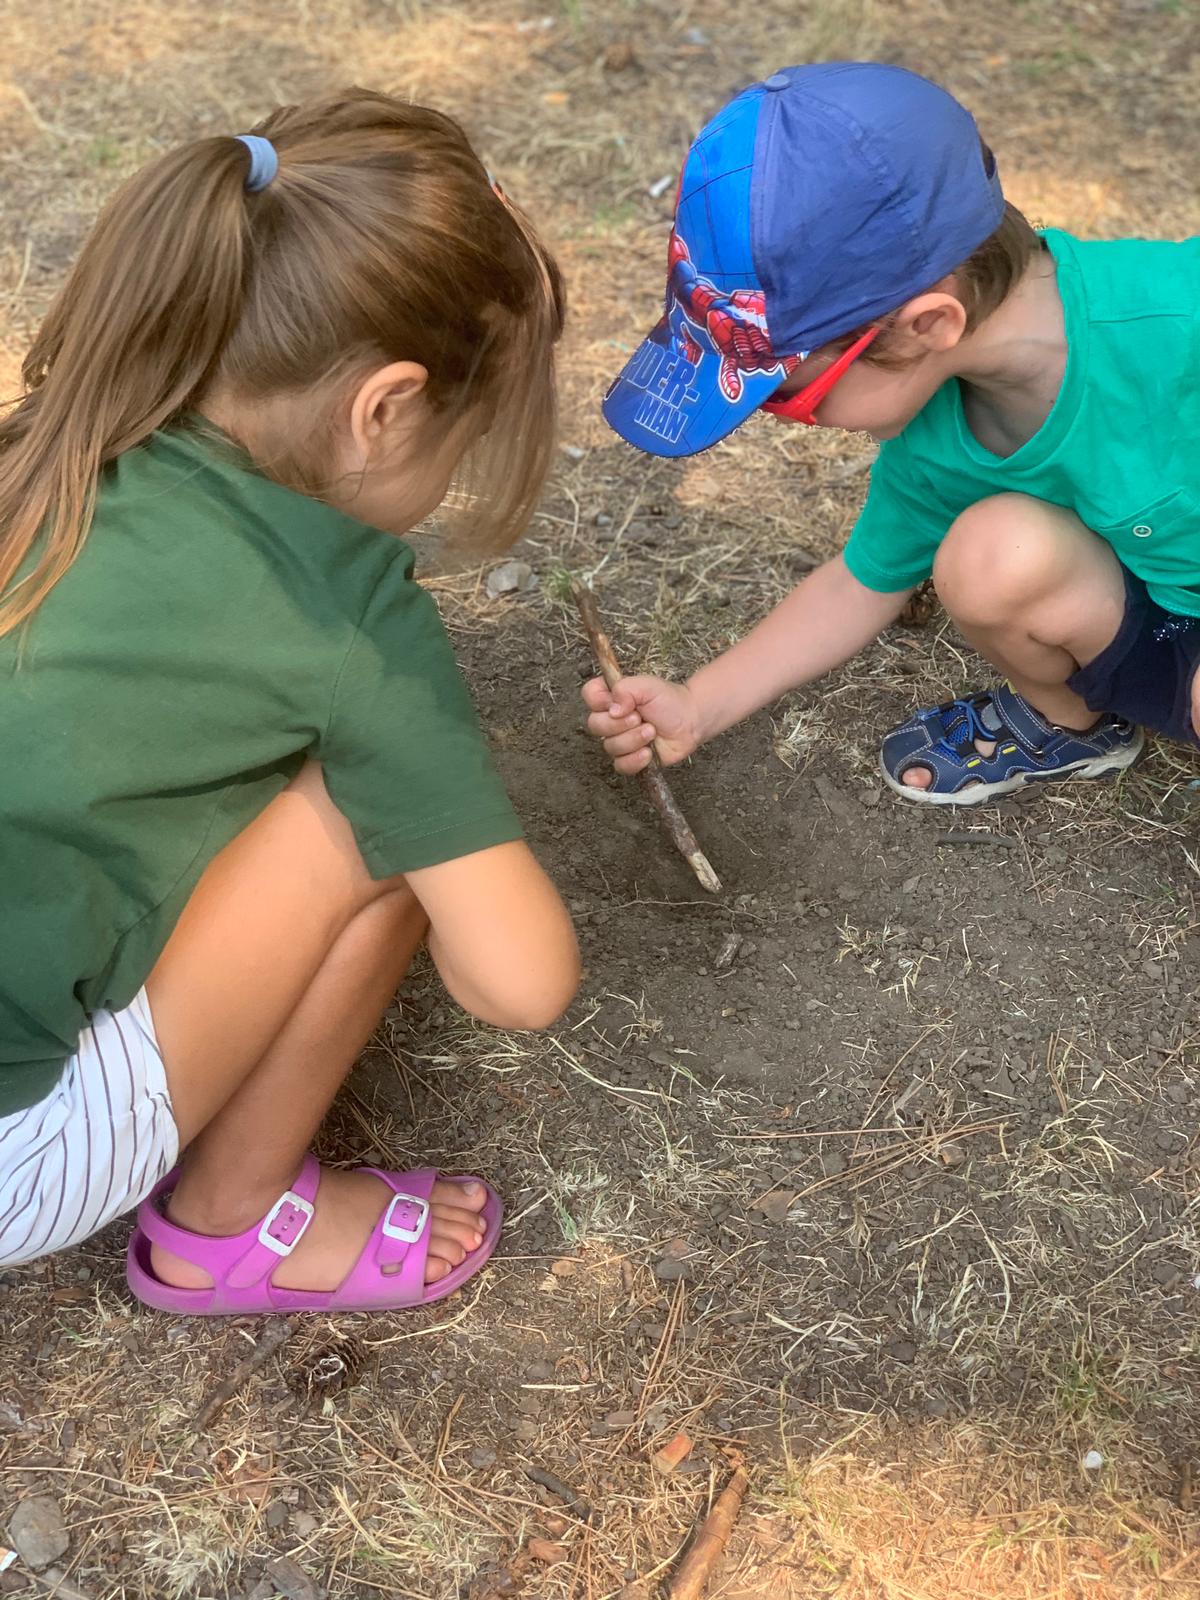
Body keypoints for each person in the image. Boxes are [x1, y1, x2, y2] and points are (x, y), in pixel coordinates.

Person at [0, 91, 581, 1314]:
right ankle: (229, 1227)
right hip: (19, 1164)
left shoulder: (42, 450)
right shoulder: (349, 613)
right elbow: (520, 979)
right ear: (384, 407)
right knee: (377, 821)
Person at [585, 63, 1200, 806]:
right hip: (1161, 634)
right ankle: (1073, 726)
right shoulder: (938, 424)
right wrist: (699, 702)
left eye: (790, 396)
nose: (794, 421)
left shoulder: (1174, 322)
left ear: (928, 327)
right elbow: (862, 580)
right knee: (991, 554)